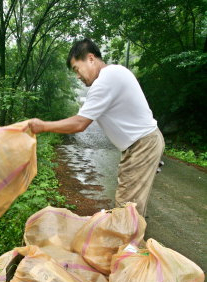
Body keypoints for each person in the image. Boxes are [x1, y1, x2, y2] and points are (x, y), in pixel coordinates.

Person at [28, 38, 164, 217]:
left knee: (126, 208)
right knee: (132, 204)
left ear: (91, 58)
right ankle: (132, 239)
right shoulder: (115, 72)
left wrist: (43, 126)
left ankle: (129, 243)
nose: (78, 75)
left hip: (142, 144)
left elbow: (79, 123)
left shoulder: (106, 79)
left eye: (77, 68)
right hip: (141, 143)